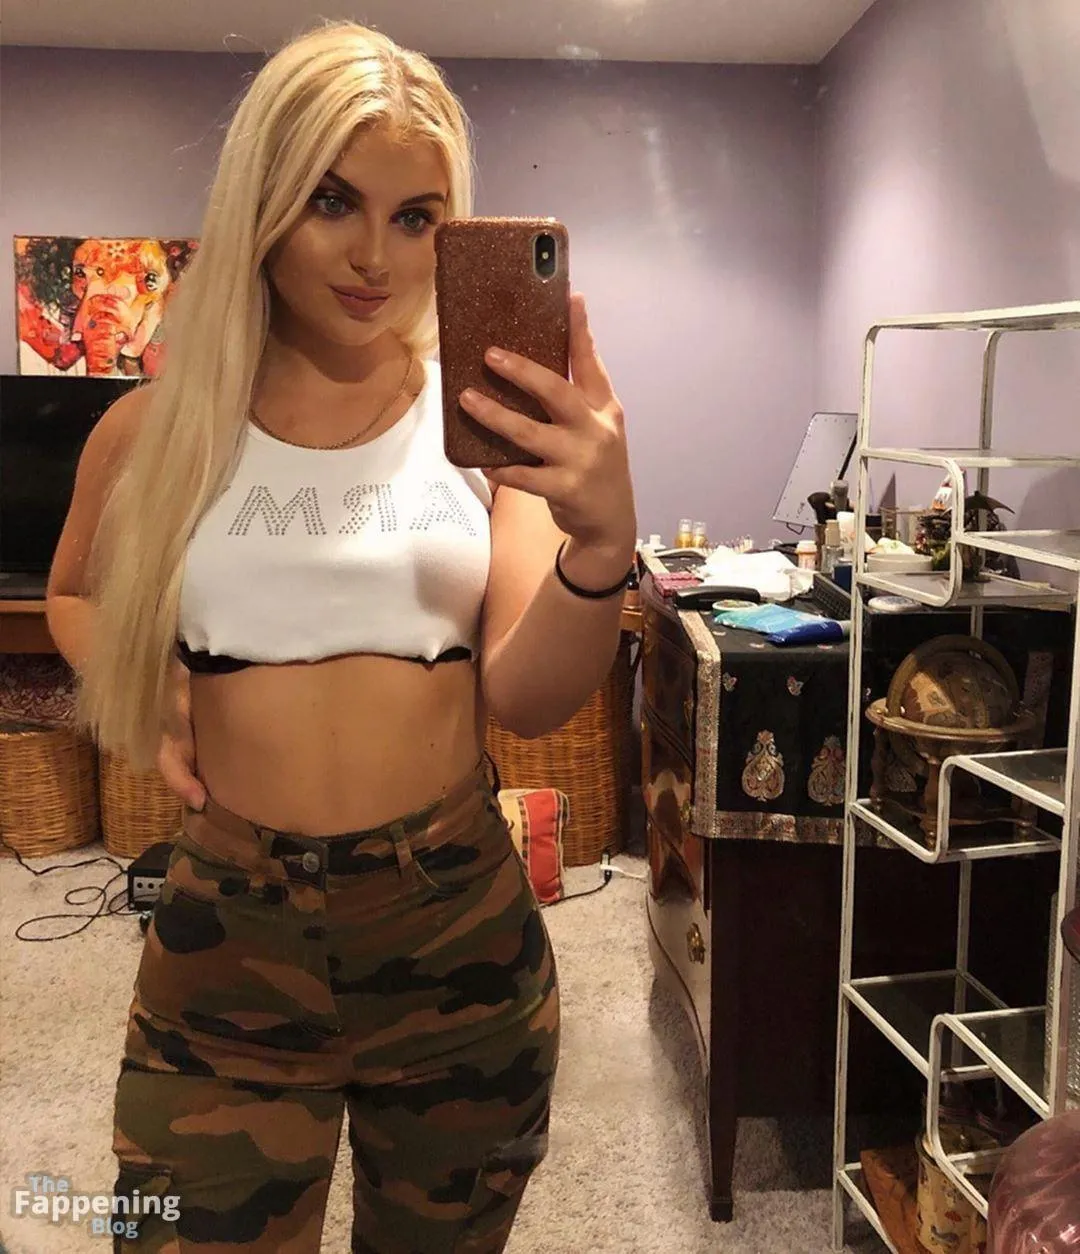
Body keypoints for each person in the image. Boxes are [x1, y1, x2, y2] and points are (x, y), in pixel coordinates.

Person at [44, 18, 636, 1254]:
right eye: (332, 201)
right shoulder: (158, 431)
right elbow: (77, 596)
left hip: (454, 929)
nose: (375, 256)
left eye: (417, 217)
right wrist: (146, 699)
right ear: (264, 199)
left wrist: (599, 546)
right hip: (227, 934)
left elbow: (529, 696)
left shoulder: (486, 430)